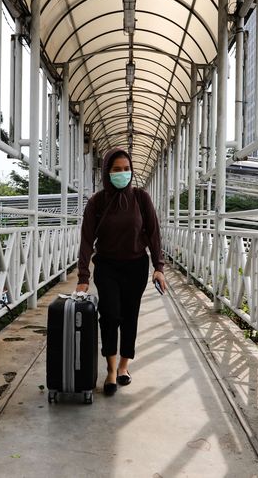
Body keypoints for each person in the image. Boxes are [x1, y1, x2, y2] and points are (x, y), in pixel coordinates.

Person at [76, 147, 166, 396]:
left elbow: (153, 233)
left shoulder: (141, 198)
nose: (122, 174)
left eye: (126, 169)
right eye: (117, 170)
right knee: (109, 315)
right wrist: (83, 277)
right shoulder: (98, 202)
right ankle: (111, 369)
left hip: (136, 265)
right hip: (106, 266)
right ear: (107, 172)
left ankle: (124, 366)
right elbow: (86, 240)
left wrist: (159, 268)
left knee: (129, 316)